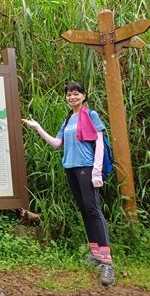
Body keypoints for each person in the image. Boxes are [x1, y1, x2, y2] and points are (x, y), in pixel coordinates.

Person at [22, 81, 115, 287]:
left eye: (76, 93)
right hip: (71, 168)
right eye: (69, 94)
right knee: (84, 210)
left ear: (84, 95)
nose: (72, 97)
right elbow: (57, 143)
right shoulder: (68, 120)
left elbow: (99, 143)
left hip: (87, 168)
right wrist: (37, 127)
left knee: (93, 210)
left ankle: (107, 262)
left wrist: (97, 171)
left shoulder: (91, 115)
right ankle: (95, 254)